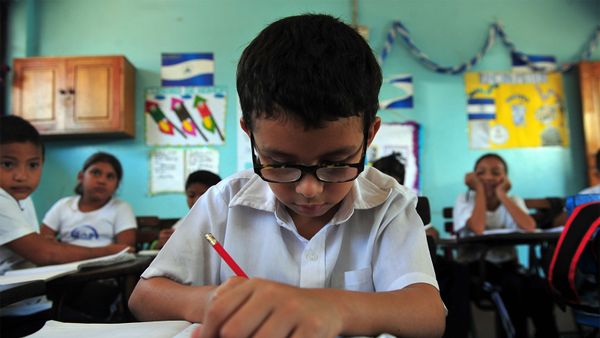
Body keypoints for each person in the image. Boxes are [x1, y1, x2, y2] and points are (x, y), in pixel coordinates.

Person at [129, 13, 445, 338]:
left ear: (369, 135)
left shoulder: (389, 205)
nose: (309, 189)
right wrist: (227, 302)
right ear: (250, 134)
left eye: (337, 163)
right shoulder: (224, 204)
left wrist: (327, 306)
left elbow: (427, 314)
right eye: (280, 164)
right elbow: (144, 298)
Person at [0, 116, 129, 337]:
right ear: (82, 176)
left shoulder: (22, 198)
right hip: (13, 311)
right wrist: (108, 250)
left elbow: (41, 244)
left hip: (32, 301)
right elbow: (45, 252)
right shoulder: (4, 198)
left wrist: (48, 247)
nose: (21, 176)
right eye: (7, 164)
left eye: (33, 165)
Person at [453, 153, 559, 338]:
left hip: (509, 266)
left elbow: (529, 226)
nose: (488, 178)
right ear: (473, 178)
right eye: (481, 173)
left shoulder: (513, 200)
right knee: (511, 287)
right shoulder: (465, 199)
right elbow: (478, 228)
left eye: (495, 173)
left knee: (540, 288)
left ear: (505, 178)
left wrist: (502, 195)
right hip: (477, 269)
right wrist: (479, 191)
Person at [372, 153, 471, 338]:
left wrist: (416, 233)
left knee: (458, 272)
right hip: (386, 260)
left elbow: (433, 233)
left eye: (395, 177)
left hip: (421, 260)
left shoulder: (407, 200)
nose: (390, 181)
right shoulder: (368, 201)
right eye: (384, 175)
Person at [40, 151, 137, 248]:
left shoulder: (121, 208)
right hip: (66, 261)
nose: (102, 181)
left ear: (117, 185)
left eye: (110, 176)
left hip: (106, 262)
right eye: (96, 173)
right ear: (81, 177)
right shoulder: (63, 205)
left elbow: (125, 249)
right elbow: (42, 242)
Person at [156, 170, 222, 249]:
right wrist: (162, 243)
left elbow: (220, 251)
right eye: (191, 195)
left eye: (204, 195)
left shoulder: (224, 222)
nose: (196, 201)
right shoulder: (184, 222)